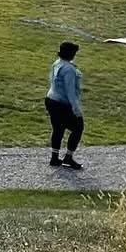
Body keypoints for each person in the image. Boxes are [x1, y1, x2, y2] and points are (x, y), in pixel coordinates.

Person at [45, 41, 84, 169]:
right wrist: (76, 109)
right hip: (62, 103)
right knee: (78, 127)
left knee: (58, 129)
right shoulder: (69, 70)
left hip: (51, 99)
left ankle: (54, 157)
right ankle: (68, 157)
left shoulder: (57, 63)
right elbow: (70, 92)